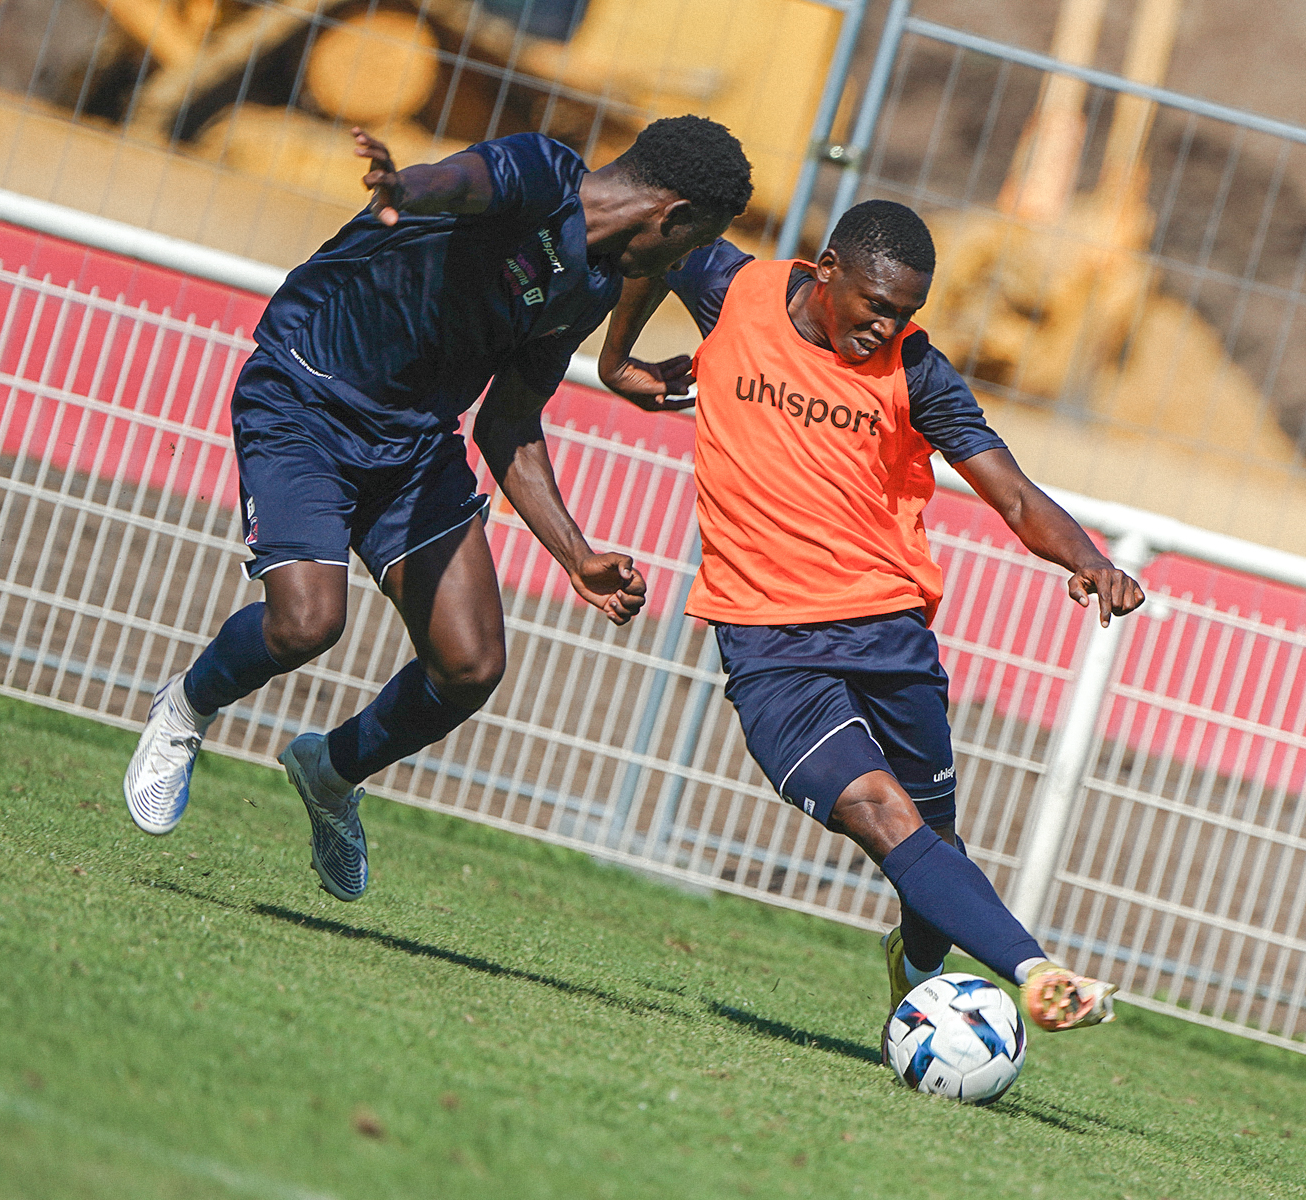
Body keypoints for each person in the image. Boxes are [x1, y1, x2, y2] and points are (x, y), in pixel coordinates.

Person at [124, 117, 754, 905]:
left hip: (414, 446)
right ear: (673, 218)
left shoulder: (589, 284)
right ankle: (184, 707)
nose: (679, 267)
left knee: (469, 665)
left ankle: (330, 771)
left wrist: (576, 555)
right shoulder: (540, 173)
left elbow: (508, 423)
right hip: (303, 400)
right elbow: (464, 181)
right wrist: (405, 188)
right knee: (307, 622)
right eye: (691, 246)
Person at [598, 200, 1145, 1039]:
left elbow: (1014, 493)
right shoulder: (732, 288)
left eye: (907, 313)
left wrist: (1089, 561)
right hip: (770, 643)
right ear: (825, 271)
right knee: (882, 812)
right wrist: (615, 357)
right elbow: (651, 241)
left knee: (934, 844)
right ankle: (1038, 975)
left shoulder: (916, 370)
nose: (887, 327)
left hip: (887, 628)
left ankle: (918, 967)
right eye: (877, 307)